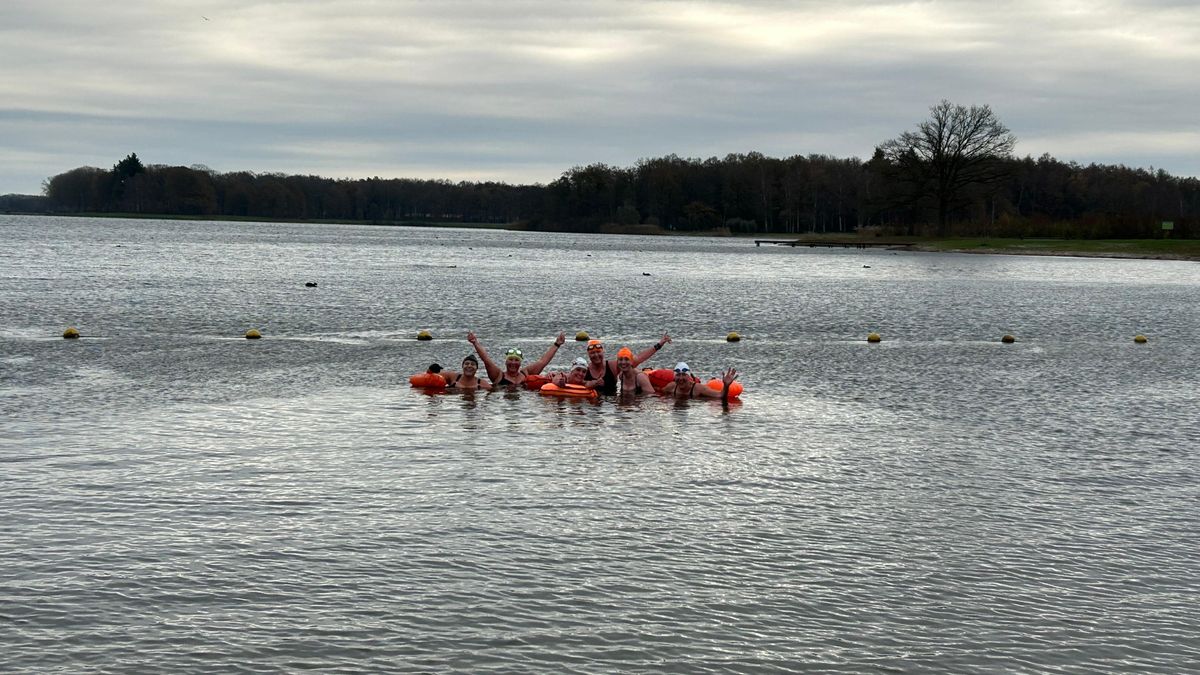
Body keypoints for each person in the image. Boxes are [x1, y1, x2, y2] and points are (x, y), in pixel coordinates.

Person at [468, 330, 565, 388]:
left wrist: (557, 344)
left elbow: (543, 361)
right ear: (506, 362)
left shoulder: (526, 373)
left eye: (516, 360)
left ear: (520, 362)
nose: (513, 363)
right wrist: (475, 343)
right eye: (510, 359)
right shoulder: (498, 375)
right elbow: (486, 359)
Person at [583, 333, 671, 394]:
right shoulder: (584, 370)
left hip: (610, 406)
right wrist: (591, 383)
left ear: (603, 352)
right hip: (591, 404)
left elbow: (639, 358)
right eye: (592, 353)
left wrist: (659, 344)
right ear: (588, 355)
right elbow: (572, 377)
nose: (596, 355)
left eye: (598, 352)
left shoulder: (613, 366)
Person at [661, 362, 739, 401]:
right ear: (674, 377)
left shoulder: (699, 388)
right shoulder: (671, 387)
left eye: (684, 375)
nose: (681, 378)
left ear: (689, 377)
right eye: (678, 375)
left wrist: (726, 385)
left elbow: (720, 395)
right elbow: (659, 391)